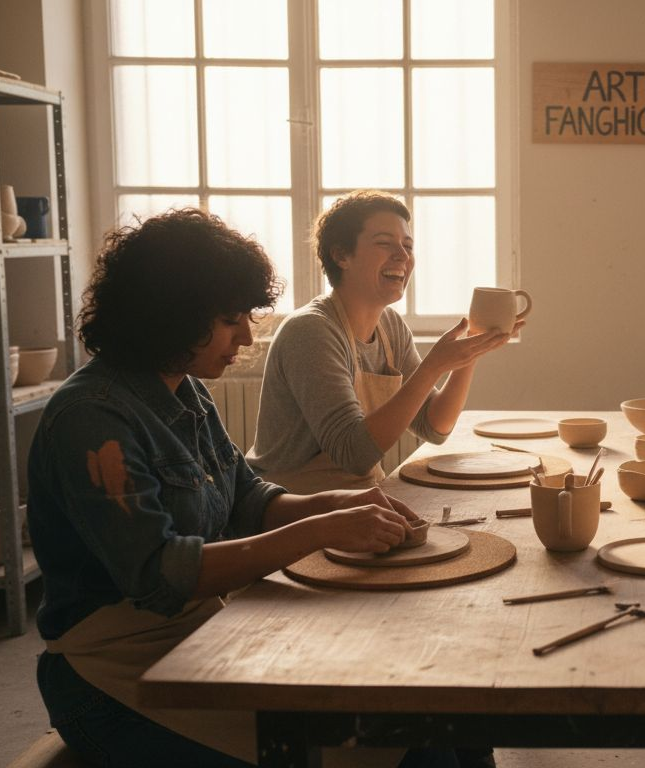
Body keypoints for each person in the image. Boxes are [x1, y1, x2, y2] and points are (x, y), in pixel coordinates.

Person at [29, 209, 455, 767]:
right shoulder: (92, 417)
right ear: (169, 315)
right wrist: (321, 530)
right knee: (386, 749)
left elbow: (249, 499)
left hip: (201, 630)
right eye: (232, 321)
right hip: (111, 674)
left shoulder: (185, 390)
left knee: (432, 717)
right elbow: (159, 577)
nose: (248, 337)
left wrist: (335, 502)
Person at [248, 190, 516, 494]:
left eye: (408, 245)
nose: (402, 255)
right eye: (385, 243)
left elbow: (434, 426)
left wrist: (471, 349)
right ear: (341, 255)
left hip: (360, 497)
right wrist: (432, 367)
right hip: (294, 508)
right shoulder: (310, 331)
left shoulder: (391, 326)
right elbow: (354, 454)